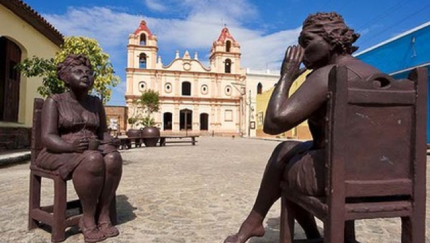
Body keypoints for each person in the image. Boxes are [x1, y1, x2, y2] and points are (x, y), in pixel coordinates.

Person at [224, 12, 381, 243]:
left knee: (284, 160)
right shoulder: (377, 74)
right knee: (292, 148)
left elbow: (273, 123)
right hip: (385, 177)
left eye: (306, 42)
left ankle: (256, 222)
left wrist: (286, 76)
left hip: (339, 178)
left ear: (332, 39)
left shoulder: (326, 75)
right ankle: (327, 236)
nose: (301, 50)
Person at [36, 54, 123, 243]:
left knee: (113, 158)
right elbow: (48, 137)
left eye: (89, 72)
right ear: (65, 77)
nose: (85, 75)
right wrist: (70, 146)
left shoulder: (95, 103)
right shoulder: (55, 100)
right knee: (93, 159)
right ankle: (88, 218)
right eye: (78, 72)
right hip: (58, 151)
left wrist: (111, 140)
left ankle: (104, 213)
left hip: (91, 149)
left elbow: (103, 133)